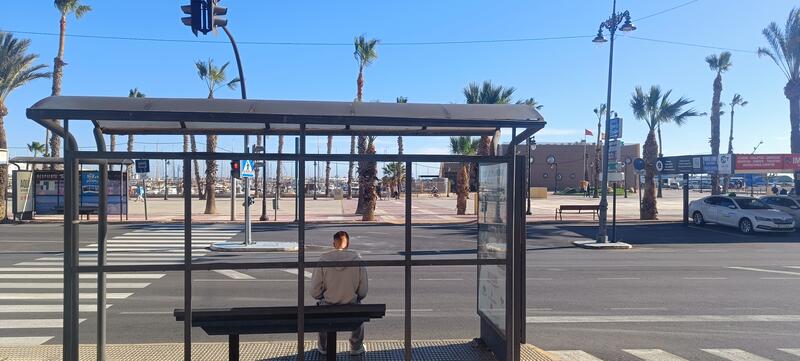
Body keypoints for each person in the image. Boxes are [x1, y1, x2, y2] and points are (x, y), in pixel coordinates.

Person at [310, 231, 368, 356]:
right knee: (360, 306)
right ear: (348, 244)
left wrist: (323, 296)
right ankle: (356, 346)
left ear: (333, 244)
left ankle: (324, 347)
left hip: (328, 307)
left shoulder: (323, 260)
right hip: (351, 307)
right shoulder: (358, 260)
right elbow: (363, 291)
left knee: (322, 309)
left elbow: (314, 291)